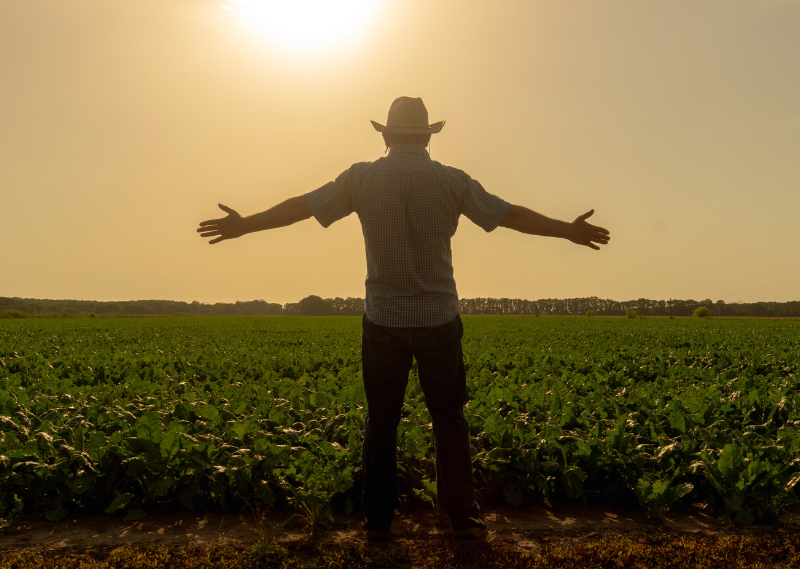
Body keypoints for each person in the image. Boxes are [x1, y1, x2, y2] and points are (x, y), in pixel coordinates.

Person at [197, 96, 610, 541]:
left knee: (382, 418)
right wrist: (567, 230)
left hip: (383, 320)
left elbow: (302, 206)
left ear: (386, 135)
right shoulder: (453, 181)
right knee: (449, 418)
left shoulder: (362, 177)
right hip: (439, 317)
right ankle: (463, 516)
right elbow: (509, 216)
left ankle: (378, 519)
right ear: (429, 137)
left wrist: (246, 225)